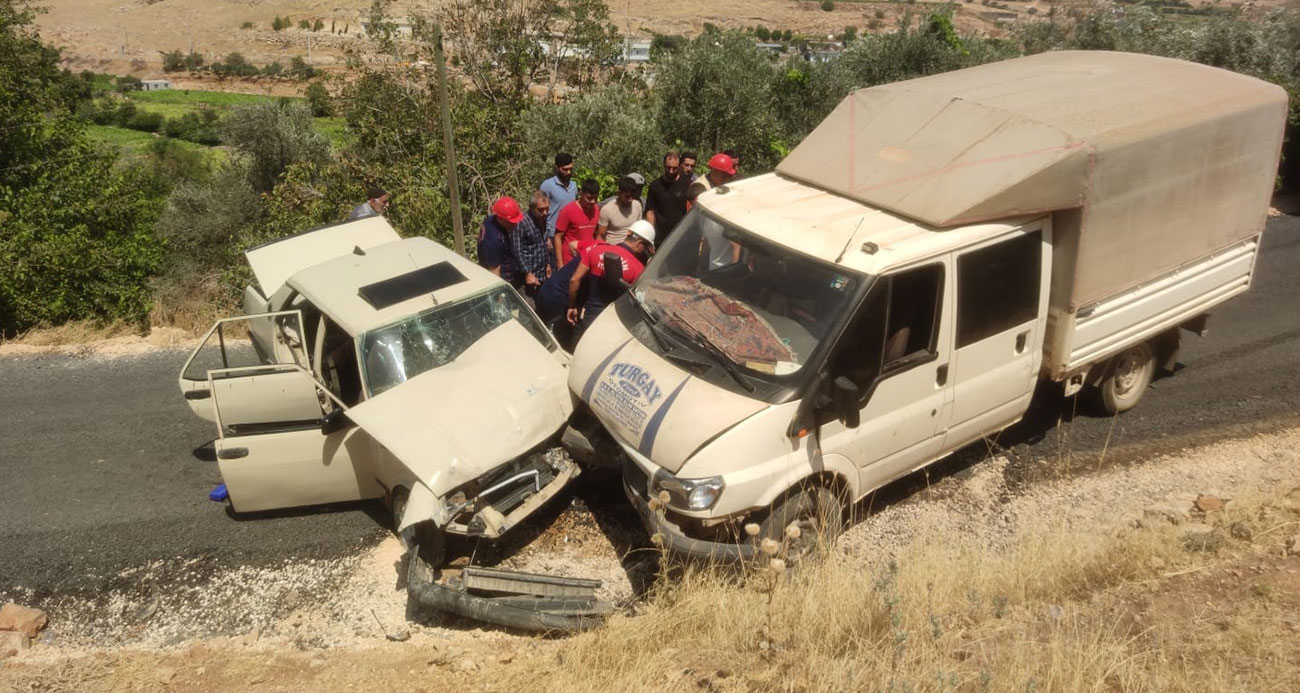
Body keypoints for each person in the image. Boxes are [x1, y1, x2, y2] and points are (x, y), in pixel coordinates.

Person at [567, 219, 655, 335]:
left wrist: (571, 307)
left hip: (588, 318)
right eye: (646, 247)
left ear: (628, 234)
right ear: (639, 244)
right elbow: (639, 302)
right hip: (611, 324)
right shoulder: (638, 269)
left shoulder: (597, 250)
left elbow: (574, 280)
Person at [689, 153, 740, 269]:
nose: (711, 176)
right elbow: (707, 240)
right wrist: (700, 264)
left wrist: (732, 273)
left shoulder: (728, 206)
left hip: (725, 271)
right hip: (713, 268)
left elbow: (736, 246)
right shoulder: (711, 202)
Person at [553, 178, 601, 267]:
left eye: (595, 198)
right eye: (589, 198)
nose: (593, 202)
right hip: (570, 260)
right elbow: (558, 237)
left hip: (587, 261)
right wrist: (560, 264)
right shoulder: (568, 210)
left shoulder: (596, 209)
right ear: (581, 194)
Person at [645, 151, 690, 245]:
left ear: (680, 166)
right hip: (660, 237)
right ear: (663, 165)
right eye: (668, 167)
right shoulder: (655, 186)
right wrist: (650, 234)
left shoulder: (687, 184)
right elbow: (650, 211)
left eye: (674, 168)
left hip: (681, 235)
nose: (671, 171)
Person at [512, 191, 552, 294]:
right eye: (541, 210)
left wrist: (547, 263)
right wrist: (527, 273)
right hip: (528, 277)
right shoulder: (522, 222)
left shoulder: (544, 219)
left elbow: (543, 243)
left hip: (542, 274)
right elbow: (517, 250)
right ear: (531, 208)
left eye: (547, 208)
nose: (545, 212)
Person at [477, 196, 523, 284]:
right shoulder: (494, 241)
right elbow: (494, 271)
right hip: (504, 278)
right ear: (501, 218)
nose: (515, 224)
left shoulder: (490, 220)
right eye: (511, 222)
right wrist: (499, 295)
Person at [539, 152, 576, 248]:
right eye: (565, 169)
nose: (569, 172)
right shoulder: (547, 185)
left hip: (570, 235)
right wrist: (545, 236)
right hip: (553, 235)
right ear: (557, 167)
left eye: (570, 169)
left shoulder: (574, 186)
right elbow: (540, 212)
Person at [598, 176, 645, 246]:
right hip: (613, 249)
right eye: (627, 196)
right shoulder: (607, 210)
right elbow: (601, 236)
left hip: (631, 248)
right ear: (619, 193)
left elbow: (639, 229)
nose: (630, 199)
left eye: (633, 196)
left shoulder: (637, 205)